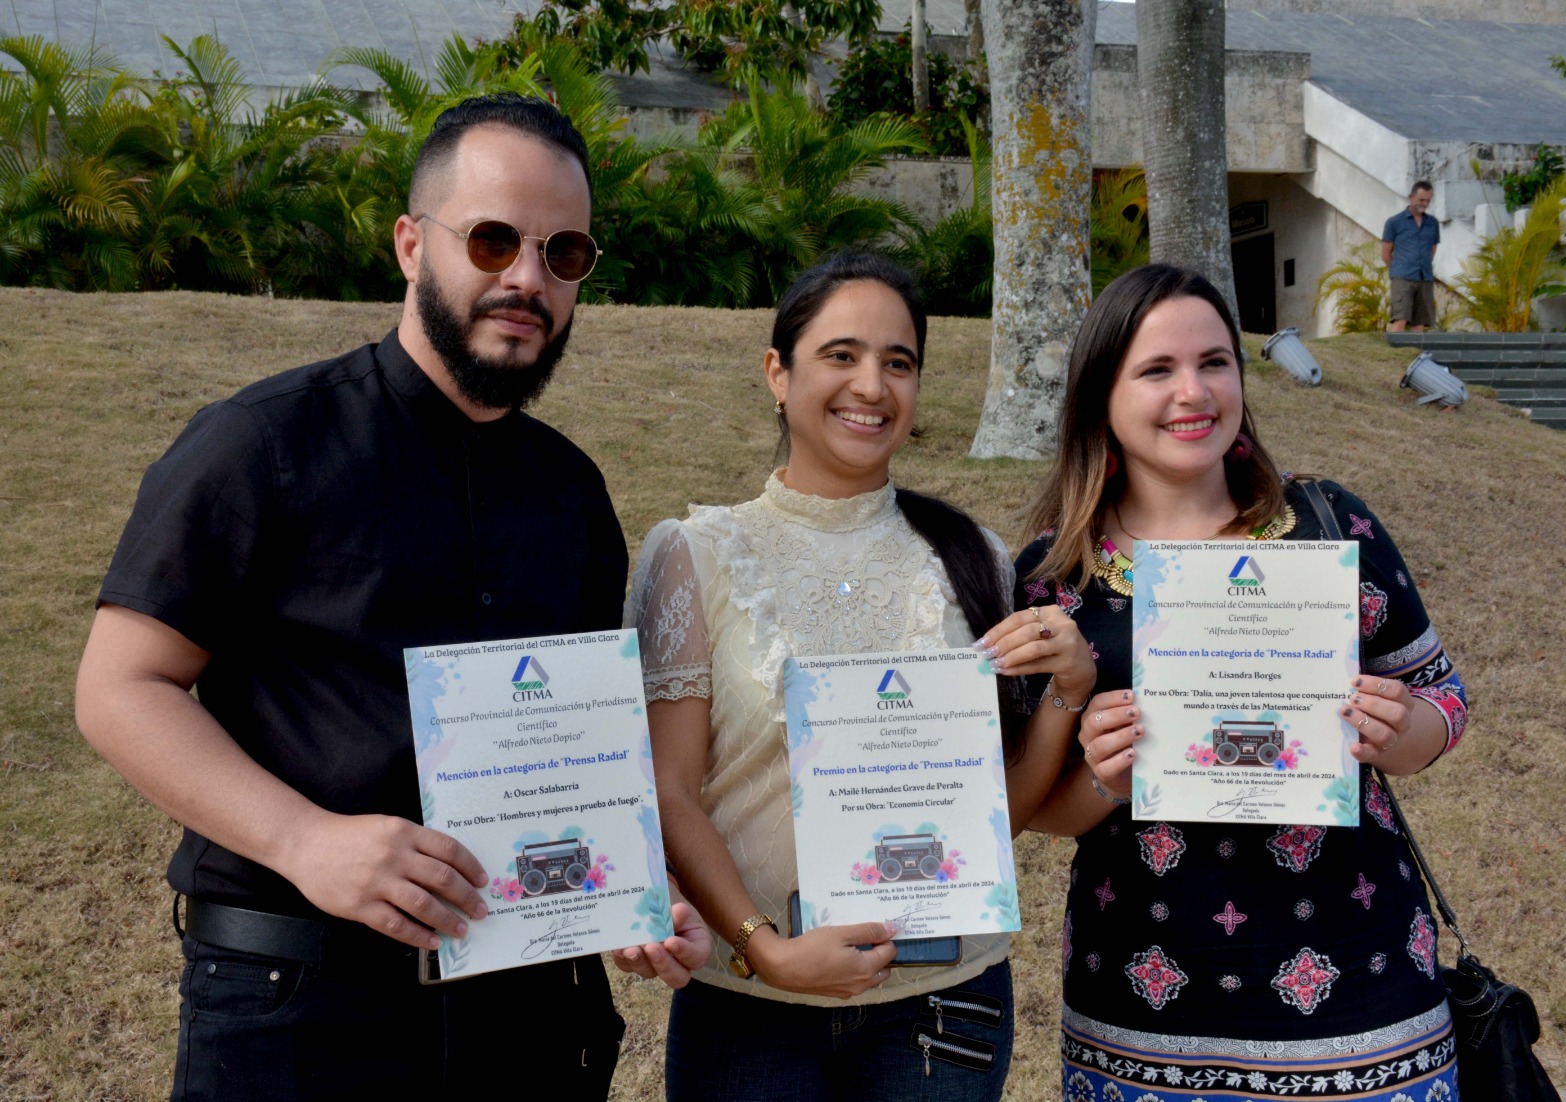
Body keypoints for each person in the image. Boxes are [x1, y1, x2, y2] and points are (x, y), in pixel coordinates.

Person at [73, 93, 709, 1101]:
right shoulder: (260, 445)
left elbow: (580, 750)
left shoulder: (574, 494)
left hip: (529, 1019)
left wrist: (631, 891)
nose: (526, 279)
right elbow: (119, 687)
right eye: (492, 240)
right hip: (299, 1011)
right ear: (411, 245)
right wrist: (303, 839)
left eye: (563, 254)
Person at [626, 251, 1097, 1101]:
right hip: (751, 1004)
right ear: (778, 372)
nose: (872, 385)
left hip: (943, 1005)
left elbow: (998, 812)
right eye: (841, 355)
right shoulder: (693, 554)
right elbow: (669, 789)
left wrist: (1068, 693)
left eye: (899, 362)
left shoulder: (974, 559)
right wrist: (761, 944)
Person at [1018, 264, 1469, 1100]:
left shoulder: (1332, 523)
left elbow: (1444, 699)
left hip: (1363, 1000)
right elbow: (1031, 806)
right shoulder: (1055, 581)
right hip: (1142, 1016)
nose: (1193, 392)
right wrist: (1105, 779)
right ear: (1101, 396)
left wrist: (1401, 732)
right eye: (1156, 370)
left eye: (1214, 362)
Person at [1383, 181, 1441, 332]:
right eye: (1422, 200)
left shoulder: (1433, 223)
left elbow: (1432, 248)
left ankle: (1415, 354)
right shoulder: (1394, 222)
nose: (1425, 203)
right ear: (1411, 197)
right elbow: (1385, 253)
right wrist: (1398, 269)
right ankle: (1394, 354)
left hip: (1424, 277)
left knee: (1420, 323)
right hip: (1402, 277)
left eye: (1428, 200)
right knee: (1400, 318)